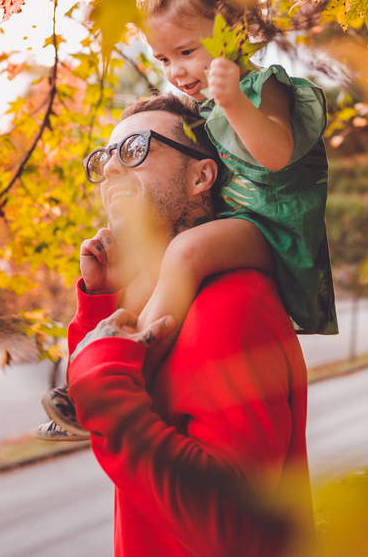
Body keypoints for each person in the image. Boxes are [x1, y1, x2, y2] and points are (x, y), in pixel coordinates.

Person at [40, 0, 336, 439]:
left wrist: (234, 100)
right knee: (145, 283)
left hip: (273, 228)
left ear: (234, 35)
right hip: (238, 220)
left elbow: (277, 154)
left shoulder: (263, 89)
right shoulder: (207, 110)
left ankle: (118, 376)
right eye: (163, 60)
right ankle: (85, 386)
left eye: (186, 51)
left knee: (186, 252)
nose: (176, 71)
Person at [59, 93, 315, 556]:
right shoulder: (163, 303)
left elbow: (233, 526)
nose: (112, 169)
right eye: (104, 158)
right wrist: (100, 306)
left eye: (136, 149)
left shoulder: (233, 305)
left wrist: (106, 396)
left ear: (202, 175)